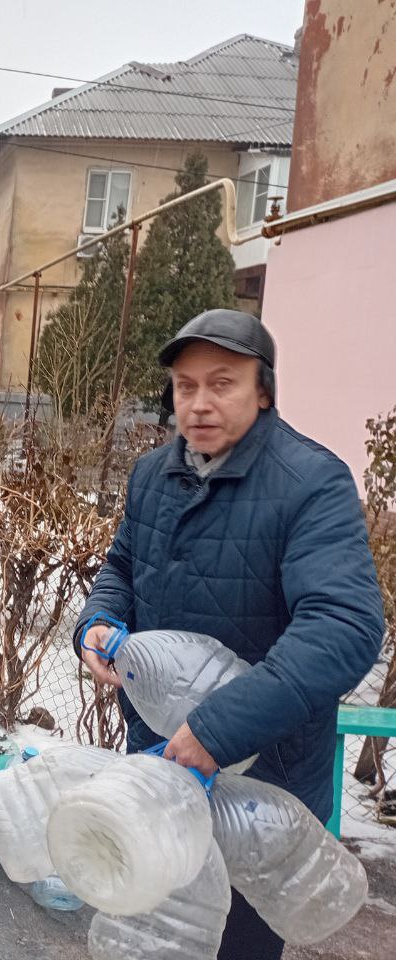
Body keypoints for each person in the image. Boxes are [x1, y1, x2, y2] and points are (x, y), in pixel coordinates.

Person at [77, 309, 384, 959]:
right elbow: (123, 566)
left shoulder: (311, 484)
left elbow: (344, 626)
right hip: (159, 768)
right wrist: (98, 620)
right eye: (185, 386)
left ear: (263, 390)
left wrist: (218, 730)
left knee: (236, 944)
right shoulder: (153, 474)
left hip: (261, 793)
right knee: (152, 933)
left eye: (222, 383)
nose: (199, 404)